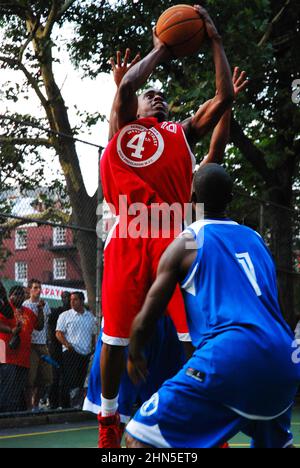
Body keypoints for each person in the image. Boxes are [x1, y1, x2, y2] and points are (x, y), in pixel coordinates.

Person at [88, 47, 247, 446]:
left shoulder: (179, 132)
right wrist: (162, 46)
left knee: (194, 337)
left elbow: (222, 101)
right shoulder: (122, 130)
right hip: (128, 230)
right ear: (132, 103)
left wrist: (211, 38)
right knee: (114, 339)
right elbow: (127, 85)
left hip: (173, 234)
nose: (157, 96)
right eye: (150, 93)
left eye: (162, 95)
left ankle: (207, 419)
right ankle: (108, 421)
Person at [125, 164, 300, 448]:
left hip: (233, 353)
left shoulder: (188, 242)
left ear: (192, 199)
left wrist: (133, 352)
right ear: (230, 199)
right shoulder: (256, 240)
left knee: (138, 438)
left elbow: (147, 315)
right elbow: (274, 305)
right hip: (285, 358)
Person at [0, 284, 44, 413]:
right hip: (7, 354)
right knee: (6, 384)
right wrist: (11, 330)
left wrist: (40, 310)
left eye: (22, 294)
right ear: (10, 296)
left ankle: (13, 412)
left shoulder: (28, 312)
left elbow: (39, 326)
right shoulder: (6, 309)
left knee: (17, 387)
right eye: (16, 294)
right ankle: (4, 413)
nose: (20, 296)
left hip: (23, 356)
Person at [56, 292, 97, 408]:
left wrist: (93, 348)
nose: (72, 302)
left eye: (75, 300)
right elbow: (58, 333)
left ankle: (78, 404)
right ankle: (67, 405)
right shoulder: (65, 315)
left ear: (82, 301)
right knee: (70, 379)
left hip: (85, 353)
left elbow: (93, 335)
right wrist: (67, 344)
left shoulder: (90, 317)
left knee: (81, 379)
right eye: (71, 300)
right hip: (71, 351)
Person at [23, 278, 53, 411]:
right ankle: (29, 406)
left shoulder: (45, 304)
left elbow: (47, 324)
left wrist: (48, 340)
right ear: (29, 290)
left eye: (39, 288)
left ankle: (36, 404)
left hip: (43, 343)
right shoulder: (25, 305)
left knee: (46, 376)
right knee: (31, 377)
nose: (38, 290)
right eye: (35, 288)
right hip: (31, 344)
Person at [47, 291, 71, 409]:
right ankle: (53, 402)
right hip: (56, 348)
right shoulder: (56, 312)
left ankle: (65, 403)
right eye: (64, 297)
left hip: (68, 349)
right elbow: (51, 328)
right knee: (55, 376)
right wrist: (52, 343)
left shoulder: (73, 312)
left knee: (67, 376)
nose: (66, 299)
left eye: (68, 297)